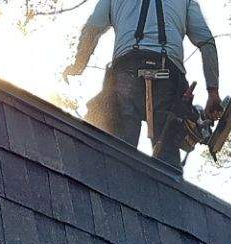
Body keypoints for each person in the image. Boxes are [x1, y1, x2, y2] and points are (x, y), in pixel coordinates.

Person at [65, 0, 222, 172]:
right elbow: (207, 42)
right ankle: (167, 187)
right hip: (168, 77)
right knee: (167, 160)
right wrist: (213, 92)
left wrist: (79, 64)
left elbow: (92, 28)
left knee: (119, 153)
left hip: (127, 73)